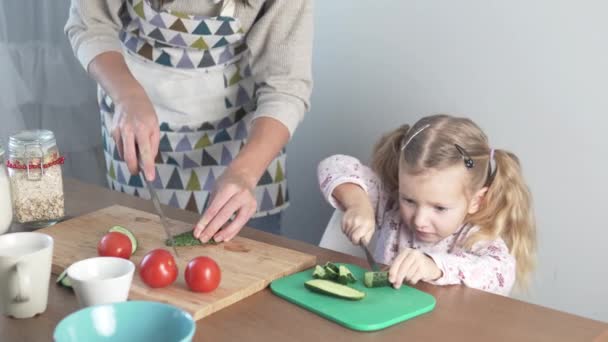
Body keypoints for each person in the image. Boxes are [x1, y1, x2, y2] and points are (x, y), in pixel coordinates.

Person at [65, 0, 313, 241]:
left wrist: (245, 173)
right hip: (134, 117)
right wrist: (128, 96)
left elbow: (286, 86)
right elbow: (90, 24)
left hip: (244, 144)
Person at [317, 114, 536, 295]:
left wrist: (434, 267)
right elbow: (334, 165)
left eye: (439, 208)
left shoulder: (475, 236)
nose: (419, 220)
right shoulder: (390, 205)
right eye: (409, 200)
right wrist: (358, 205)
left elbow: (502, 272)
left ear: (475, 201)